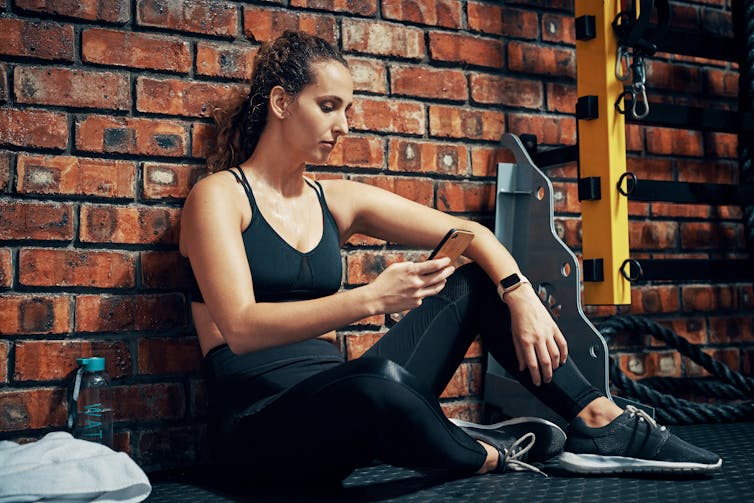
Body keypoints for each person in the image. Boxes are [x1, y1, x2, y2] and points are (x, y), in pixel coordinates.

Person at [179, 31, 721, 484]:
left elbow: (471, 234)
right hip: (263, 427)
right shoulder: (219, 198)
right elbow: (242, 328)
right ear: (279, 103)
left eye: (347, 109)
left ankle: (600, 419)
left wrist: (520, 293)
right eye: (328, 107)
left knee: (476, 285)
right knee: (377, 382)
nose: (343, 125)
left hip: (349, 403)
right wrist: (370, 298)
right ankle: (488, 452)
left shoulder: (335, 200)